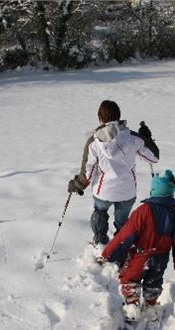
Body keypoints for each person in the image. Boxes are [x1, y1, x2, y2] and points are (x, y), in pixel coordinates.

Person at [99, 169, 175, 330]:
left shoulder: (144, 211)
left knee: (129, 279)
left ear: (153, 191)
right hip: (161, 259)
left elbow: (125, 235)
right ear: (170, 194)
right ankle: (151, 307)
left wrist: (108, 254)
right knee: (153, 282)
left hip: (140, 257)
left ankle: (132, 307)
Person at [68, 100, 159, 245]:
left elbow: (88, 172)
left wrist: (77, 184)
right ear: (119, 116)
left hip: (103, 191)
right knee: (123, 222)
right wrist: (147, 139)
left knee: (99, 213)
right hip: (126, 191)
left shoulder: (94, 142)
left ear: (100, 118)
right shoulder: (133, 138)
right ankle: (121, 245)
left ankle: (100, 241)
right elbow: (153, 158)